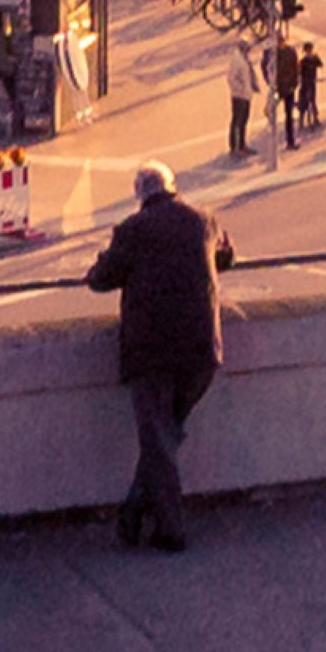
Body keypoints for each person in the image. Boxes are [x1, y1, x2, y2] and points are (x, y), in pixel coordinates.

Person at [90, 163, 226, 551]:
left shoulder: (133, 230)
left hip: (151, 351)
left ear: (140, 195)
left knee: (159, 441)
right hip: (202, 351)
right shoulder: (205, 220)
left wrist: (102, 260)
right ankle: (132, 514)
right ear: (173, 187)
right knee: (164, 439)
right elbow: (227, 258)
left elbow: (101, 279)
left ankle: (170, 530)